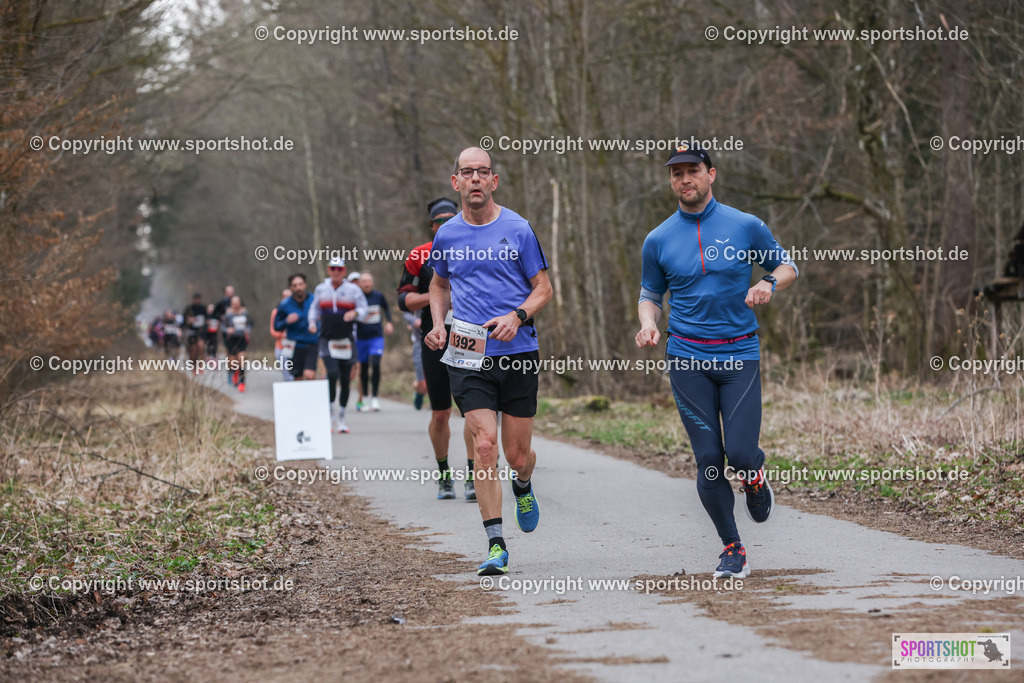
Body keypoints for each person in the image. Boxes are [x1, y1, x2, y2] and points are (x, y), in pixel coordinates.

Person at [635, 142, 799, 579]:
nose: (684, 179)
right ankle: (732, 548)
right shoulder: (658, 238)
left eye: (692, 170)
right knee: (708, 459)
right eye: (676, 174)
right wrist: (649, 323)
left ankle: (754, 476)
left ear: (712, 174)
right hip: (687, 357)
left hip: (739, 352)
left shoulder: (745, 226)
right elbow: (650, 295)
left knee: (742, 452)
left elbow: (787, 266)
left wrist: (768, 283)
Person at [424, 147, 552, 576]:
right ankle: (497, 545)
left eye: (483, 172)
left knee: (518, 455)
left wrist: (518, 316)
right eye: (467, 173)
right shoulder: (447, 236)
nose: (475, 179)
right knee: (484, 446)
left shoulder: (518, 228)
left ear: (494, 181)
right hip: (466, 353)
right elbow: (438, 285)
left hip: (516, 352)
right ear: (455, 182)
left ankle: (524, 483)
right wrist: (439, 323)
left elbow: (543, 289)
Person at [398, 196, 475, 501]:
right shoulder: (419, 255)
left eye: (449, 219)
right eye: (439, 221)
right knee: (441, 413)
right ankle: (444, 476)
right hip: (434, 338)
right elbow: (403, 299)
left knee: (473, 412)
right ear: (431, 226)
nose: (445, 225)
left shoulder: (475, 249)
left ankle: (473, 475)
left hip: (469, 337)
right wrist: (436, 297)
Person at [309, 257, 367, 434]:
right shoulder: (321, 289)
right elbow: (314, 309)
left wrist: (355, 312)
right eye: (333, 268)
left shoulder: (353, 290)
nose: (336, 272)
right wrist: (312, 322)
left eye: (339, 269)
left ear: (344, 271)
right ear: (328, 270)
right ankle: (329, 416)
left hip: (346, 339)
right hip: (327, 338)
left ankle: (341, 418)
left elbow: (364, 310)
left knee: (345, 378)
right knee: (332, 374)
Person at [354, 272, 393, 412]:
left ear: (372, 282)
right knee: (363, 368)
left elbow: (386, 308)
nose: (367, 284)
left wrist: (389, 322)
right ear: (360, 283)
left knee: (375, 364)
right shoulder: (356, 298)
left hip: (376, 337)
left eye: (369, 281)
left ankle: (375, 398)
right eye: (364, 281)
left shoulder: (378, 296)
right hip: (361, 338)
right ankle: (364, 397)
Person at [274, 274, 318, 381]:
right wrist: (286, 321)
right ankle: (302, 397)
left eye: (300, 284)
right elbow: (276, 326)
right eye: (295, 285)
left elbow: (324, 316)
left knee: (309, 374)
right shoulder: (284, 304)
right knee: (297, 377)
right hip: (293, 345)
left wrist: (318, 326)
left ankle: (312, 397)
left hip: (311, 342)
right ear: (290, 287)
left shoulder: (314, 300)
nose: (298, 288)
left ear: (305, 285)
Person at [222, 295, 252, 392]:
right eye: (233, 303)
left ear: (239, 303)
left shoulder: (245, 313)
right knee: (233, 361)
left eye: (237, 302)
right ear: (231, 304)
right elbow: (222, 326)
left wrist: (247, 331)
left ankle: (242, 382)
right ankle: (234, 373)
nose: (235, 305)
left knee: (242, 359)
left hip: (242, 338)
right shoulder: (228, 315)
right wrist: (227, 330)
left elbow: (250, 324)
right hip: (231, 339)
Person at [270, 288, 293, 382]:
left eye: (289, 296)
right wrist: (281, 334)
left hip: (296, 346)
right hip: (281, 346)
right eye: (285, 296)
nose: (287, 299)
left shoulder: (298, 311)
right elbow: (272, 330)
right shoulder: (276, 312)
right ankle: (288, 386)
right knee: (286, 371)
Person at [182, 293, 207, 374]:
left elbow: (207, 319)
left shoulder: (203, 308)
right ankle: (193, 366)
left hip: (200, 331)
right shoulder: (188, 309)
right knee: (193, 350)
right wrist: (188, 321)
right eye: (195, 299)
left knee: (201, 347)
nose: (197, 300)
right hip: (191, 332)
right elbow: (183, 322)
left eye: (198, 299)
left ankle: (201, 365)